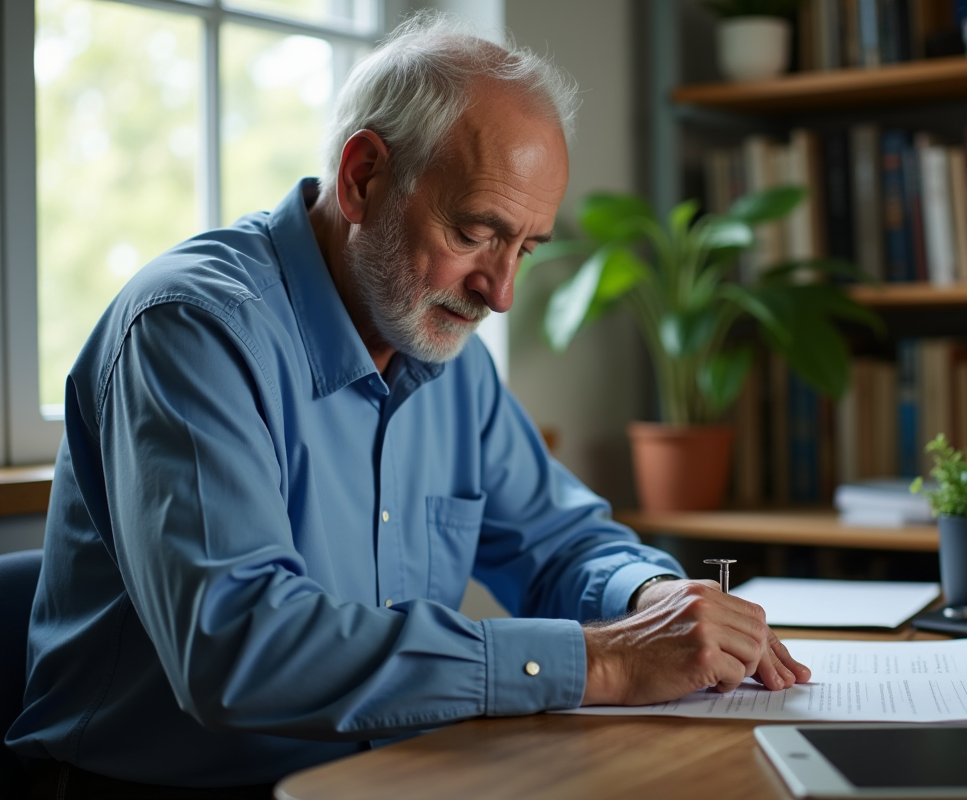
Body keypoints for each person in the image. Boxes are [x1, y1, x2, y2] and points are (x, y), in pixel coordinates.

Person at [7, 12, 809, 798]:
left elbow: (560, 541)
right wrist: (604, 659)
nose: (501, 293)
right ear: (363, 178)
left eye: (525, 247)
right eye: (476, 232)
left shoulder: (443, 348)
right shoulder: (193, 330)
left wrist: (650, 598)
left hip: (390, 777)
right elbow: (242, 647)